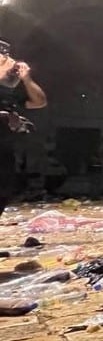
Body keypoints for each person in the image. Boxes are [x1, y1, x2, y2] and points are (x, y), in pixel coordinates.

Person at [0, 42, 47, 219]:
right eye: (4, 58)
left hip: (4, 150)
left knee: (3, 190)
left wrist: (26, 79)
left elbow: (39, 101)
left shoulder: (8, 93)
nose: (13, 63)